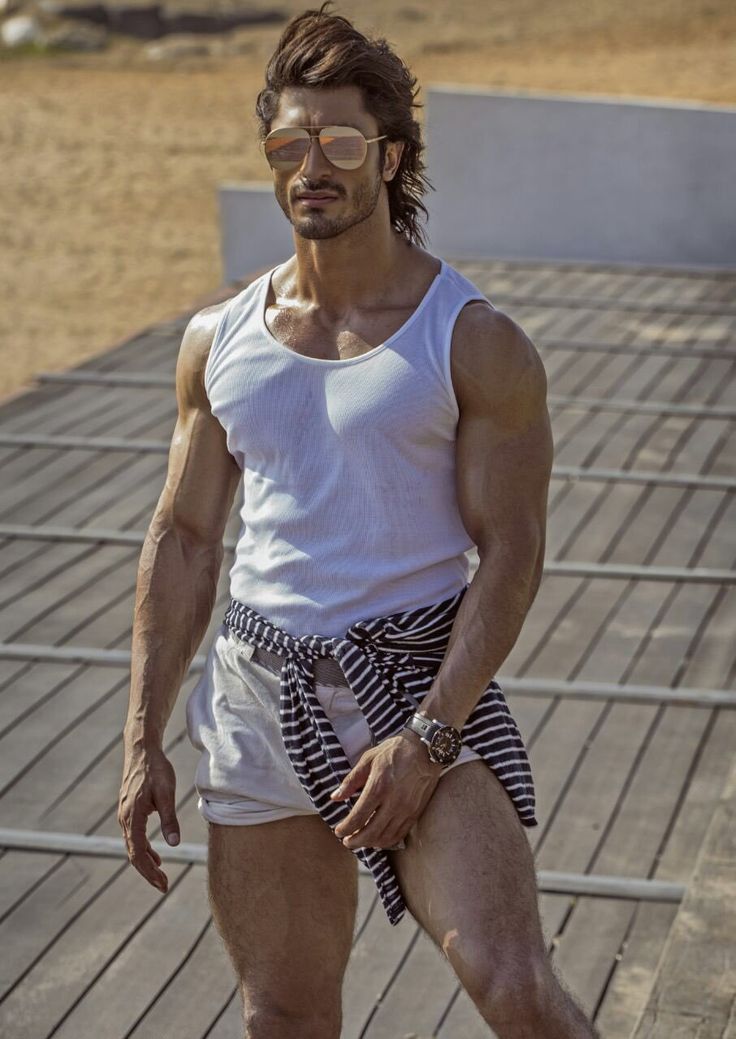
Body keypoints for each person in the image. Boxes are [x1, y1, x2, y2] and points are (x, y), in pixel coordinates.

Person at [118, 3, 599, 1037]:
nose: (313, 165)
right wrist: (142, 737)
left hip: (422, 685)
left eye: (340, 140)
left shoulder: (471, 340)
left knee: (514, 989)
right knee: (283, 1017)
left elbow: (510, 551)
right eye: (291, 141)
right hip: (255, 695)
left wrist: (427, 738)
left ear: (389, 157)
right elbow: (187, 540)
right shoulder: (219, 339)